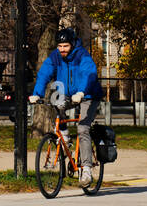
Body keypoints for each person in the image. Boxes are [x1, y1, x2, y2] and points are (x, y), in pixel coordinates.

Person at [29, 27, 102, 184]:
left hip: (88, 94)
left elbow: (88, 74)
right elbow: (44, 74)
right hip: (69, 94)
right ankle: (65, 137)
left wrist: (81, 92)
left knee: (83, 129)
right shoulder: (55, 57)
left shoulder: (82, 55)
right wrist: (37, 94)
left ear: (73, 44)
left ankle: (87, 169)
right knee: (57, 105)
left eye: (65, 46)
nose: (62, 50)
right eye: (60, 46)